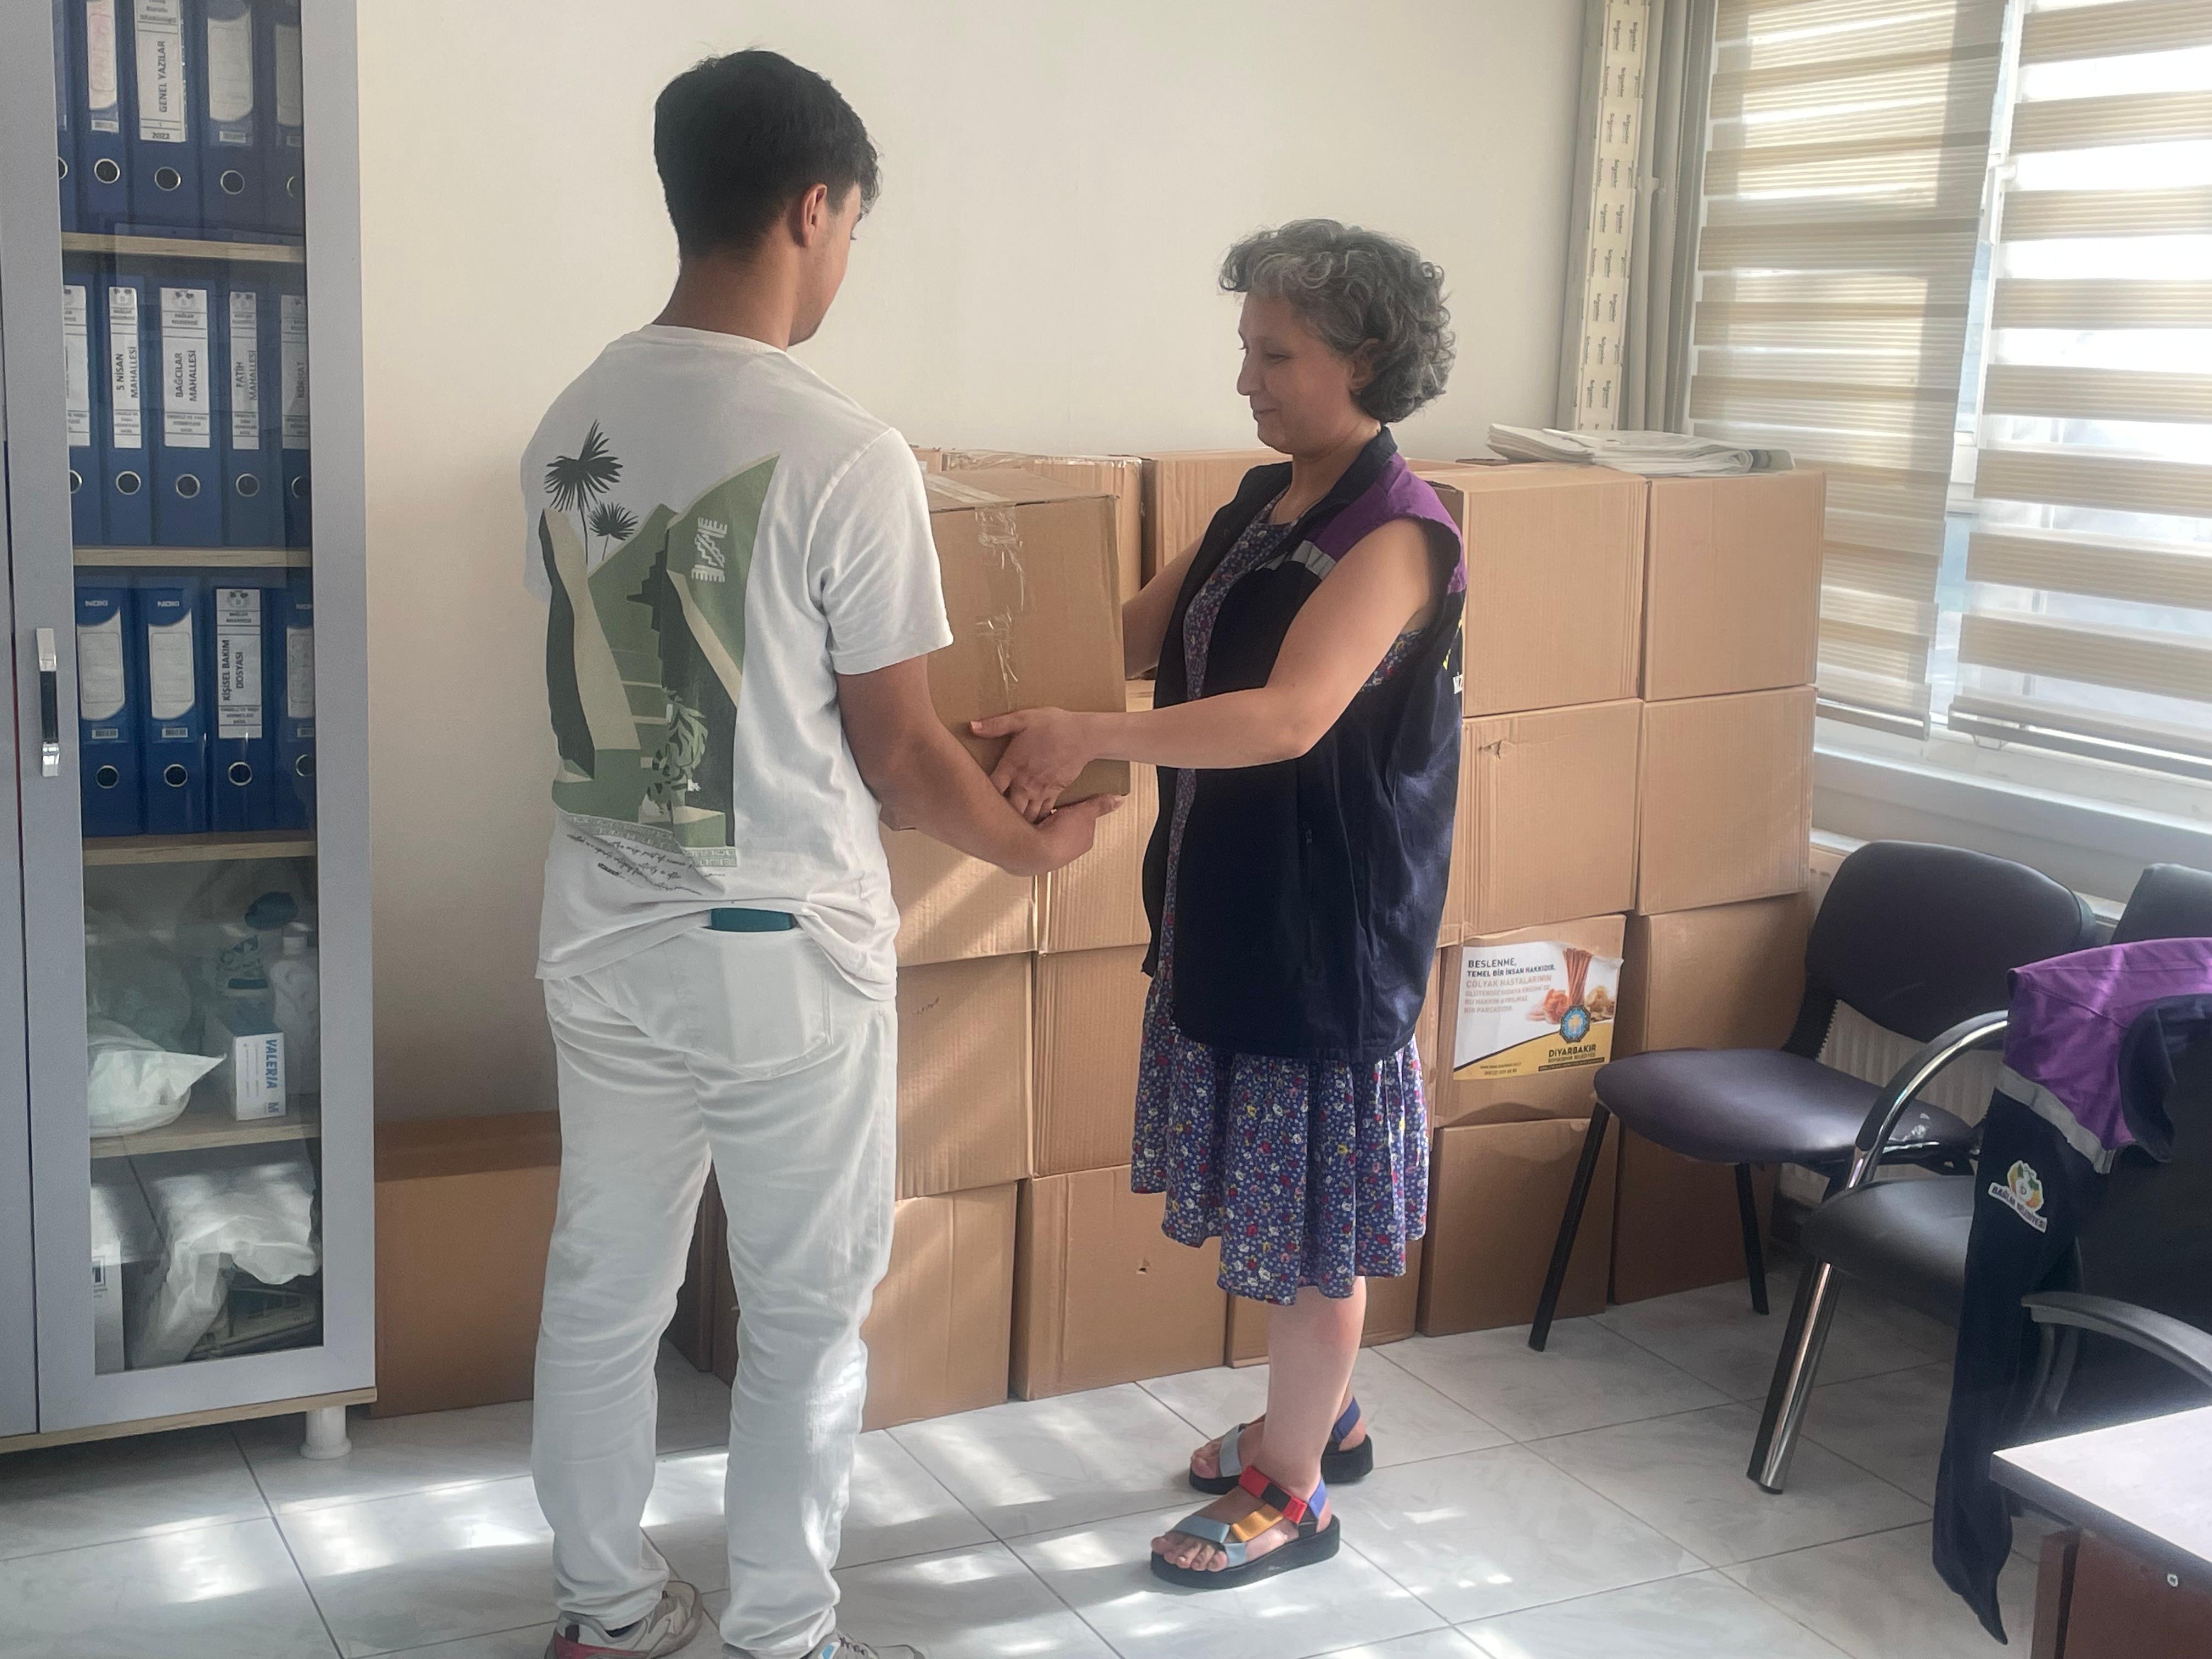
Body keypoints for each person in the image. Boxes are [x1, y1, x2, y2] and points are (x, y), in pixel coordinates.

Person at [519, 51, 1116, 1659]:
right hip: (776, 951)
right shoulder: (846, 452)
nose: (847, 255)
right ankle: (781, 1634)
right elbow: (904, 756)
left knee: (605, 1288)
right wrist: (1033, 846)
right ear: (811, 209)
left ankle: (605, 1612)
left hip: (600, 929)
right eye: (852, 226)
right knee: (803, 1311)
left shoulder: (571, 418)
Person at [977, 219, 1463, 1588]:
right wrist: (976, 670)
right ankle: (1324, 1416)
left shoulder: (1399, 534)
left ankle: (1293, 1491)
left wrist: (1088, 736)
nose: (1246, 378)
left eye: (1277, 353)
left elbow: (1288, 718)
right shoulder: (1262, 502)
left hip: (1326, 934)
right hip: (1230, 905)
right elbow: (1131, 636)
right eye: (1246, 347)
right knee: (1278, 1208)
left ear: (1365, 356)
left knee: (1313, 1235)